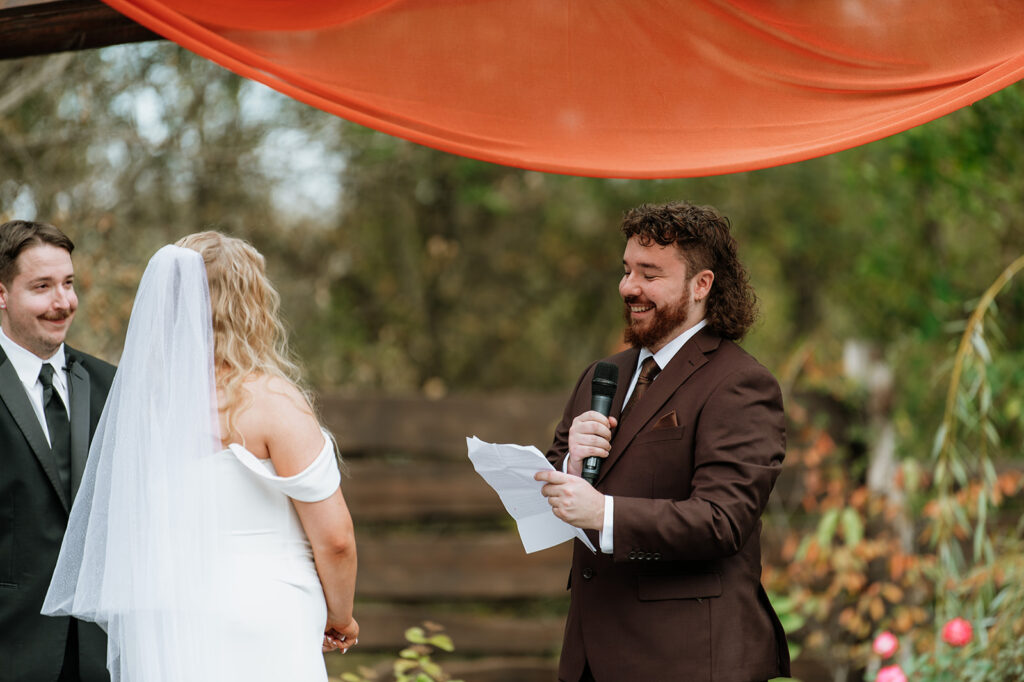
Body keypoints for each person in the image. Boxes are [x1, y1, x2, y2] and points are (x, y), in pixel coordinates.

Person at [43, 232, 359, 681]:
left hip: (171, 622)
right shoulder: (269, 401)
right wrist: (342, 617)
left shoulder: (142, 409)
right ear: (250, 303)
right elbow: (337, 540)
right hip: (267, 614)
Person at [536, 201, 790, 682]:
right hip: (591, 656)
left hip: (687, 659)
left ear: (701, 285)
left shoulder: (740, 384)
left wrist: (603, 514)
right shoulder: (603, 374)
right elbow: (559, 491)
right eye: (626, 269)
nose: (628, 287)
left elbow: (722, 521)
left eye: (649, 274)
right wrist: (569, 466)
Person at [0, 220, 115, 682]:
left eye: (68, 284)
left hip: (100, 650)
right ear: (2, 293)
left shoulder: (112, 385)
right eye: (42, 287)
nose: (63, 302)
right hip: (11, 647)